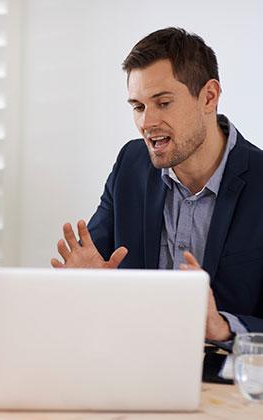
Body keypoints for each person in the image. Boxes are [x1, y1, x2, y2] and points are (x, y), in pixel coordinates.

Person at [52, 27, 263, 340]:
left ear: (209, 96)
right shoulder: (131, 164)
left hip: (227, 377)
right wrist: (88, 287)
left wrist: (221, 327)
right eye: (138, 107)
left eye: (163, 103)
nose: (146, 123)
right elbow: (98, 266)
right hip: (132, 363)